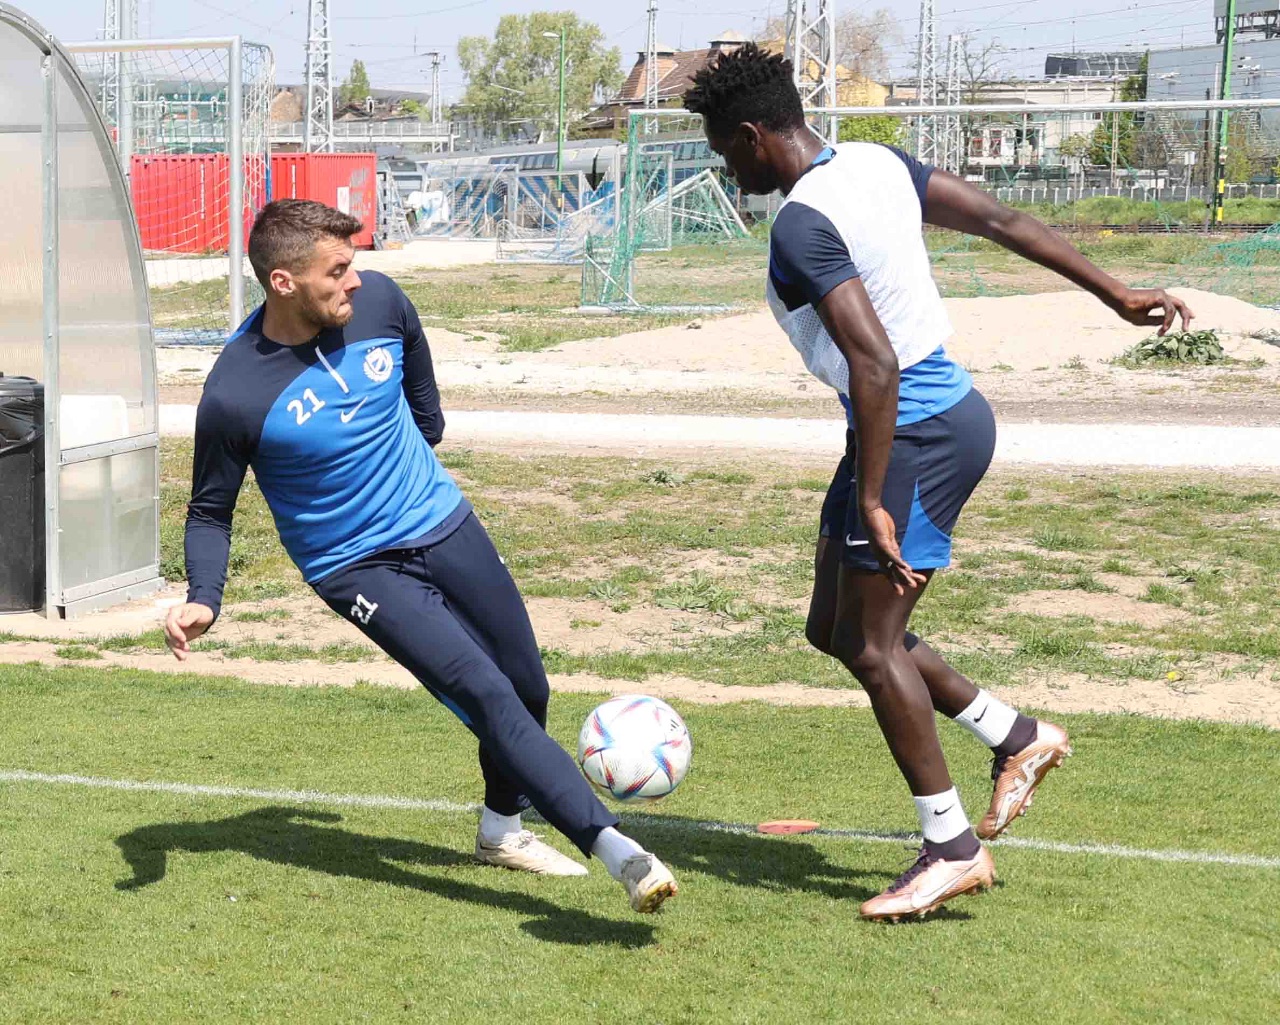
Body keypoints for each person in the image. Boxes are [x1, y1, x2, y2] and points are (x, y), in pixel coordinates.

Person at [683, 45, 1193, 922]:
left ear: (754, 134)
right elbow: (1000, 218)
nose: (729, 170)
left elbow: (876, 362)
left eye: (726, 152)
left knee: (875, 647)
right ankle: (1017, 735)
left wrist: (873, 497)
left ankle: (952, 848)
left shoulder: (801, 223)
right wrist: (1112, 291)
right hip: (909, 424)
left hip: (915, 431)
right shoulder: (876, 164)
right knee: (834, 627)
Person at [163, 199, 677, 915]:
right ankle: (621, 851)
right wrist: (204, 596)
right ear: (283, 282)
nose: (355, 280)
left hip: (441, 519)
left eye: (354, 264)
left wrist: (424, 428)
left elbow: (417, 377)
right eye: (336, 271)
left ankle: (501, 830)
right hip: (353, 566)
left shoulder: (378, 303)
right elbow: (210, 510)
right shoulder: (235, 393)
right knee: (486, 692)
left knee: (527, 686)